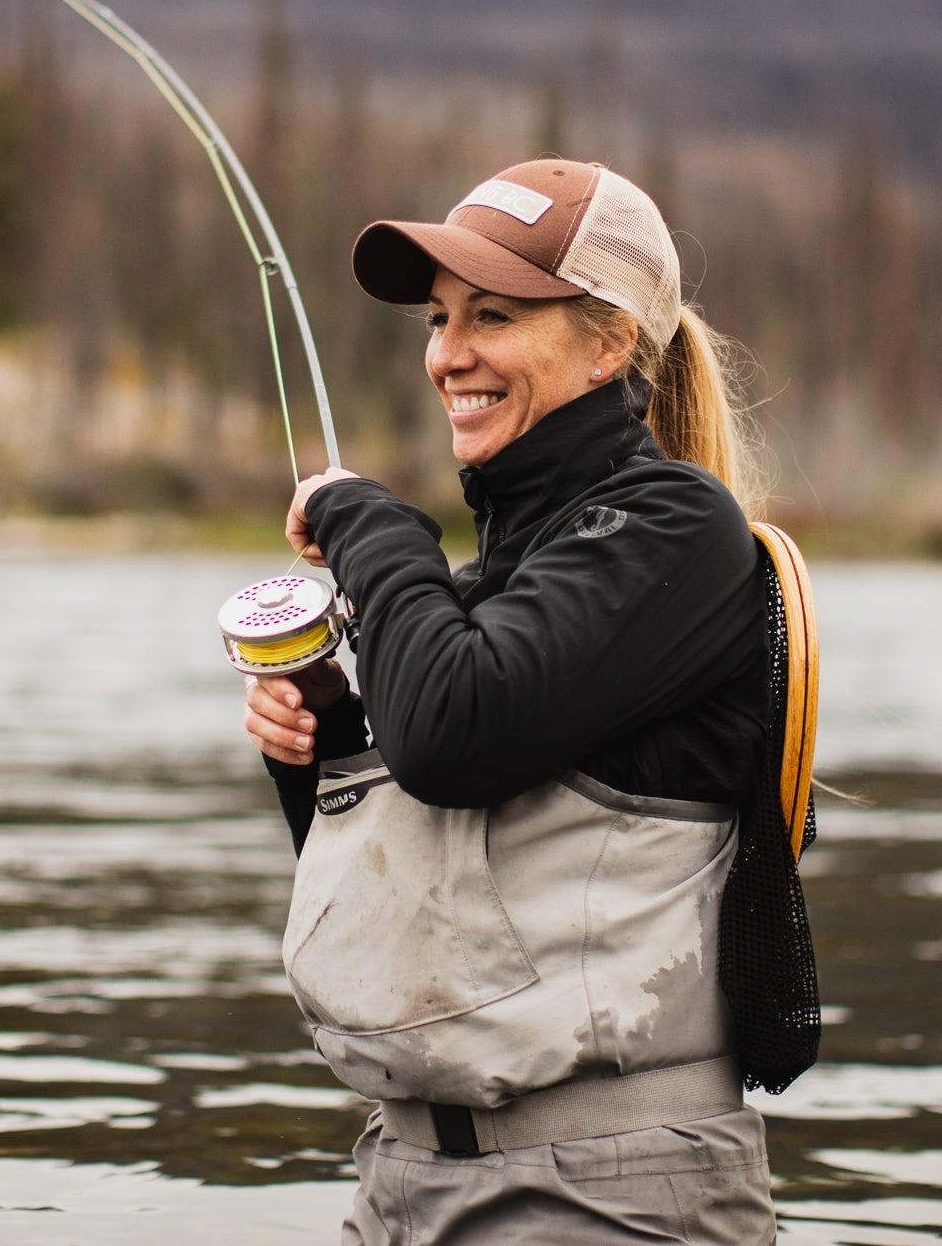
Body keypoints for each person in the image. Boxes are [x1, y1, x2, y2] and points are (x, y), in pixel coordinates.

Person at [239, 158, 802, 1245]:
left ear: (608, 341)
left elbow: (457, 734)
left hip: (606, 1194)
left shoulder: (675, 530)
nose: (447, 352)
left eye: (492, 314)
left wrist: (373, 528)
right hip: (404, 1180)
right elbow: (432, 889)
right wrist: (324, 748)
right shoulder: (495, 581)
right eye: (439, 317)